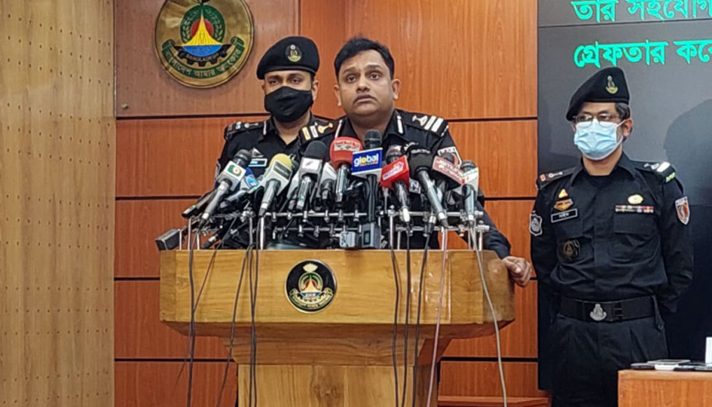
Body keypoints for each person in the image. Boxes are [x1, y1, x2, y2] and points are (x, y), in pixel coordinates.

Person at [300, 36, 531, 287]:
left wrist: (499, 255)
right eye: (351, 78)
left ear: (394, 88)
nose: (362, 85)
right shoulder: (317, 144)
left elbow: (463, 205)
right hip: (334, 281)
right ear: (338, 94)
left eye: (374, 75)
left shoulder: (428, 136)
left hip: (416, 283)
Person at [530, 67, 694, 407]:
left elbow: (680, 264)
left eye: (604, 117)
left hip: (637, 332)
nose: (593, 125)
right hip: (573, 335)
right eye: (584, 118)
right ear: (574, 127)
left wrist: (644, 314)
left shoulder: (657, 185)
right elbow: (544, 264)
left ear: (626, 126)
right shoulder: (552, 191)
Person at [215, 36, 329, 179]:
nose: (284, 89)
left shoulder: (332, 140)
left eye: (295, 80)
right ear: (264, 89)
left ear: (313, 89)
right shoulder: (241, 141)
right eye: (274, 82)